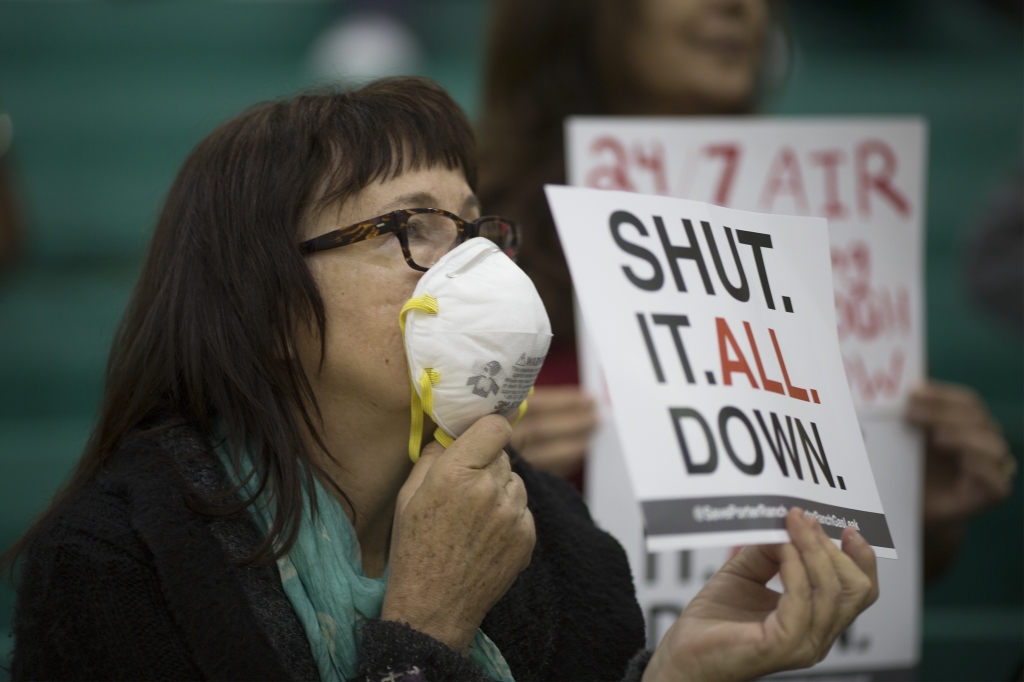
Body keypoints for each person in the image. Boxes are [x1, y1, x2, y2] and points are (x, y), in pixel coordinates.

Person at [4, 77, 878, 681]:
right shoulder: (112, 568)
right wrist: (423, 634)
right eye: (411, 226)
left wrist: (673, 675)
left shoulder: (555, 533)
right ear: (263, 304)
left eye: (470, 227)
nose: (468, 265)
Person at [478, 0, 1016, 572]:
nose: (739, 8)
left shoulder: (834, 230)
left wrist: (915, 514)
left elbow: (860, 600)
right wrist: (482, 475)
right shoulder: (477, 239)